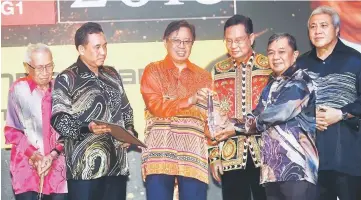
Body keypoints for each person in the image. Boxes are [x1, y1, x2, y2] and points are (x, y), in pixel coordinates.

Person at [51, 22, 137, 200]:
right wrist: (87, 127)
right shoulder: (67, 78)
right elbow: (59, 120)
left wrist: (129, 131)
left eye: (105, 46)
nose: (103, 52)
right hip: (85, 170)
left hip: (116, 167)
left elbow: (126, 109)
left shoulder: (112, 74)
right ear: (81, 49)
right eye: (97, 47)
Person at [140, 20, 212, 200]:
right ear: (165, 42)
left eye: (187, 41)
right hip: (160, 155)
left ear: (192, 44)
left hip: (193, 157)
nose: (182, 46)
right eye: (176, 40)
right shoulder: (153, 70)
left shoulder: (204, 76)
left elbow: (210, 118)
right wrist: (190, 100)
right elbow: (155, 107)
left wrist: (216, 154)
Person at [244, 33, 318, 200]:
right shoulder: (270, 85)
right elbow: (256, 113)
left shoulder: (301, 81)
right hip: (272, 172)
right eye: (271, 52)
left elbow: (281, 112)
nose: (275, 57)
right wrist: (230, 124)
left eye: (281, 51)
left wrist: (243, 125)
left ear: (295, 55)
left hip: (297, 171)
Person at [297, 6, 361, 200]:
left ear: (337, 29)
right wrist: (308, 117)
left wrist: (341, 113)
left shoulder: (355, 60)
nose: (317, 31)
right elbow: (287, 105)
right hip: (310, 163)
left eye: (324, 25)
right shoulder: (300, 65)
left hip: (349, 158)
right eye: (313, 27)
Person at [207, 14, 270, 200]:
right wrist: (214, 156)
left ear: (251, 38)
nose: (233, 45)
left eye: (239, 40)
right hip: (230, 155)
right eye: (229, 41)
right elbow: (211, 116)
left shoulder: (268, 67)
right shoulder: (218, 70)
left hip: (266, 154)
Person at [5, 43, 67, 200]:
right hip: (27, 166)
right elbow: (12, 131)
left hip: (58, 167)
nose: (46, 73)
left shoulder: (61, 90)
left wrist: (52, 156)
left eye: (49, 66)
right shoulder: (19, 90)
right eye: (39, 68)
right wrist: (35, 156)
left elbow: (68, 130)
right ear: (27, 67)